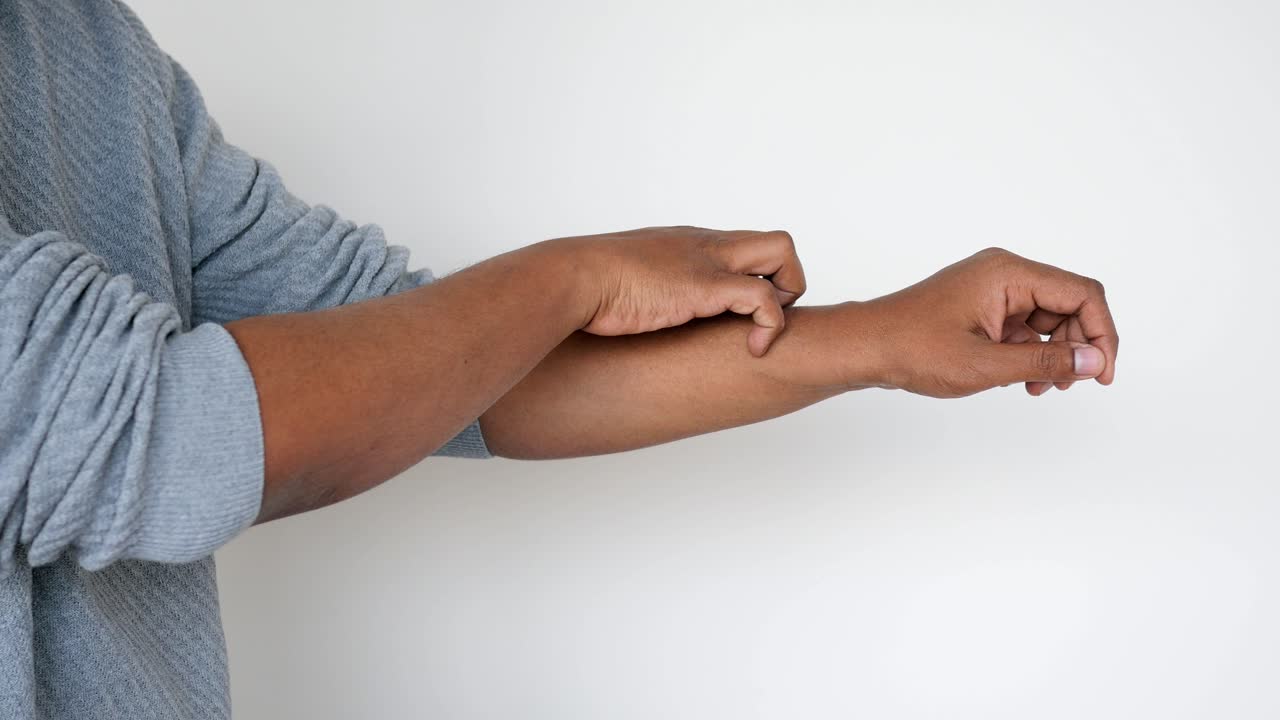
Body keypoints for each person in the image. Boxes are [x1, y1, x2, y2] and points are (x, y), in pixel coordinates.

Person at [0, 1, 1119, 718]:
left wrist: (878, 337)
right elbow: (161, 439)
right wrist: (571, 277)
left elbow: (422, 363)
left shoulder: (88, 44)